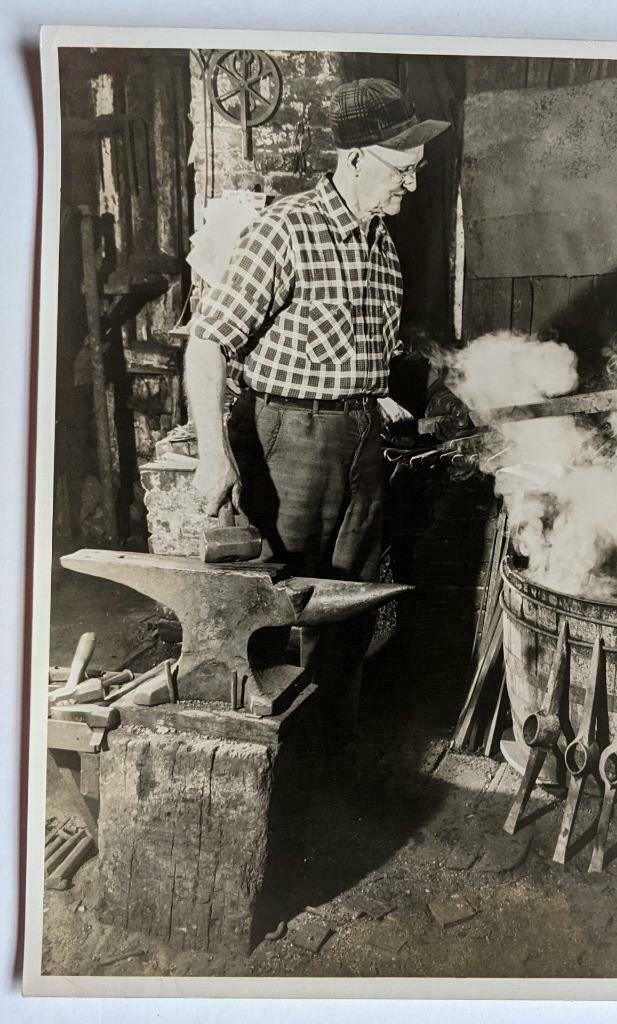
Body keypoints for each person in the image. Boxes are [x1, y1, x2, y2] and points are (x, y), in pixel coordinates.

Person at [184, 78, 454, 769]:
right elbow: (210, 342)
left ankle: (328, 765)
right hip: (286, 442)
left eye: (417, 172)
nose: (412, 187)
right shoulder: (283, 230)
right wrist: (215, 457)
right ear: (357, 158)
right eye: (403, 171)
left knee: (350, 604)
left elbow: (362, 356)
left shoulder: (383, 251)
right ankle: (258, 761)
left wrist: (387, 400)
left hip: (361, 442)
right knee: (274, 605)